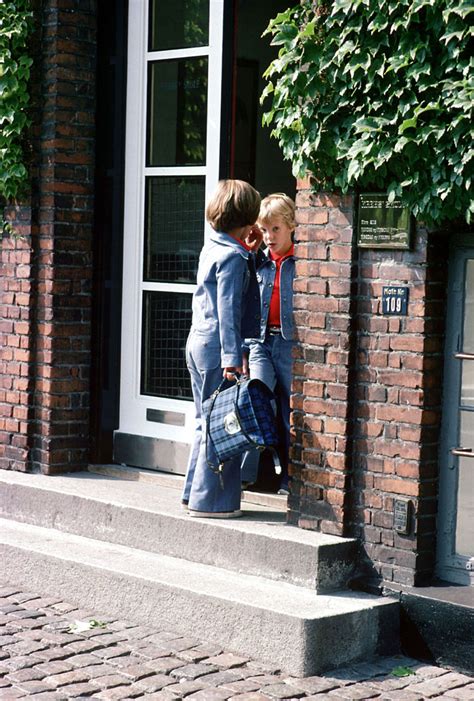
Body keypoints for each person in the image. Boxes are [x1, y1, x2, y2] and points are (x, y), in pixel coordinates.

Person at [182, 179, 262, 518]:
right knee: (223, 426)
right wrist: (233, 359)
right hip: (218, 349)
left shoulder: (213, 246)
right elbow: (228, 310)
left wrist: (252, 253)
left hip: (199, 343)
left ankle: (193, 494)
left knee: (205, 421)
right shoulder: (231, 257)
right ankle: (212, 504)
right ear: (247, 216)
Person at [241, 193, 296, 495]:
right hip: (261, 343)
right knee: (257, 404)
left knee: (290, 414)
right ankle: (253, 477)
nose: (269, 236)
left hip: (288, 345)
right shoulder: (257, 262)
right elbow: (245, 303)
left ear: (290, 226)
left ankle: (288, 480)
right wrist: (245, 349)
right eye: (264, 230)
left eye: (275, 229)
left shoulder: (301, 263)